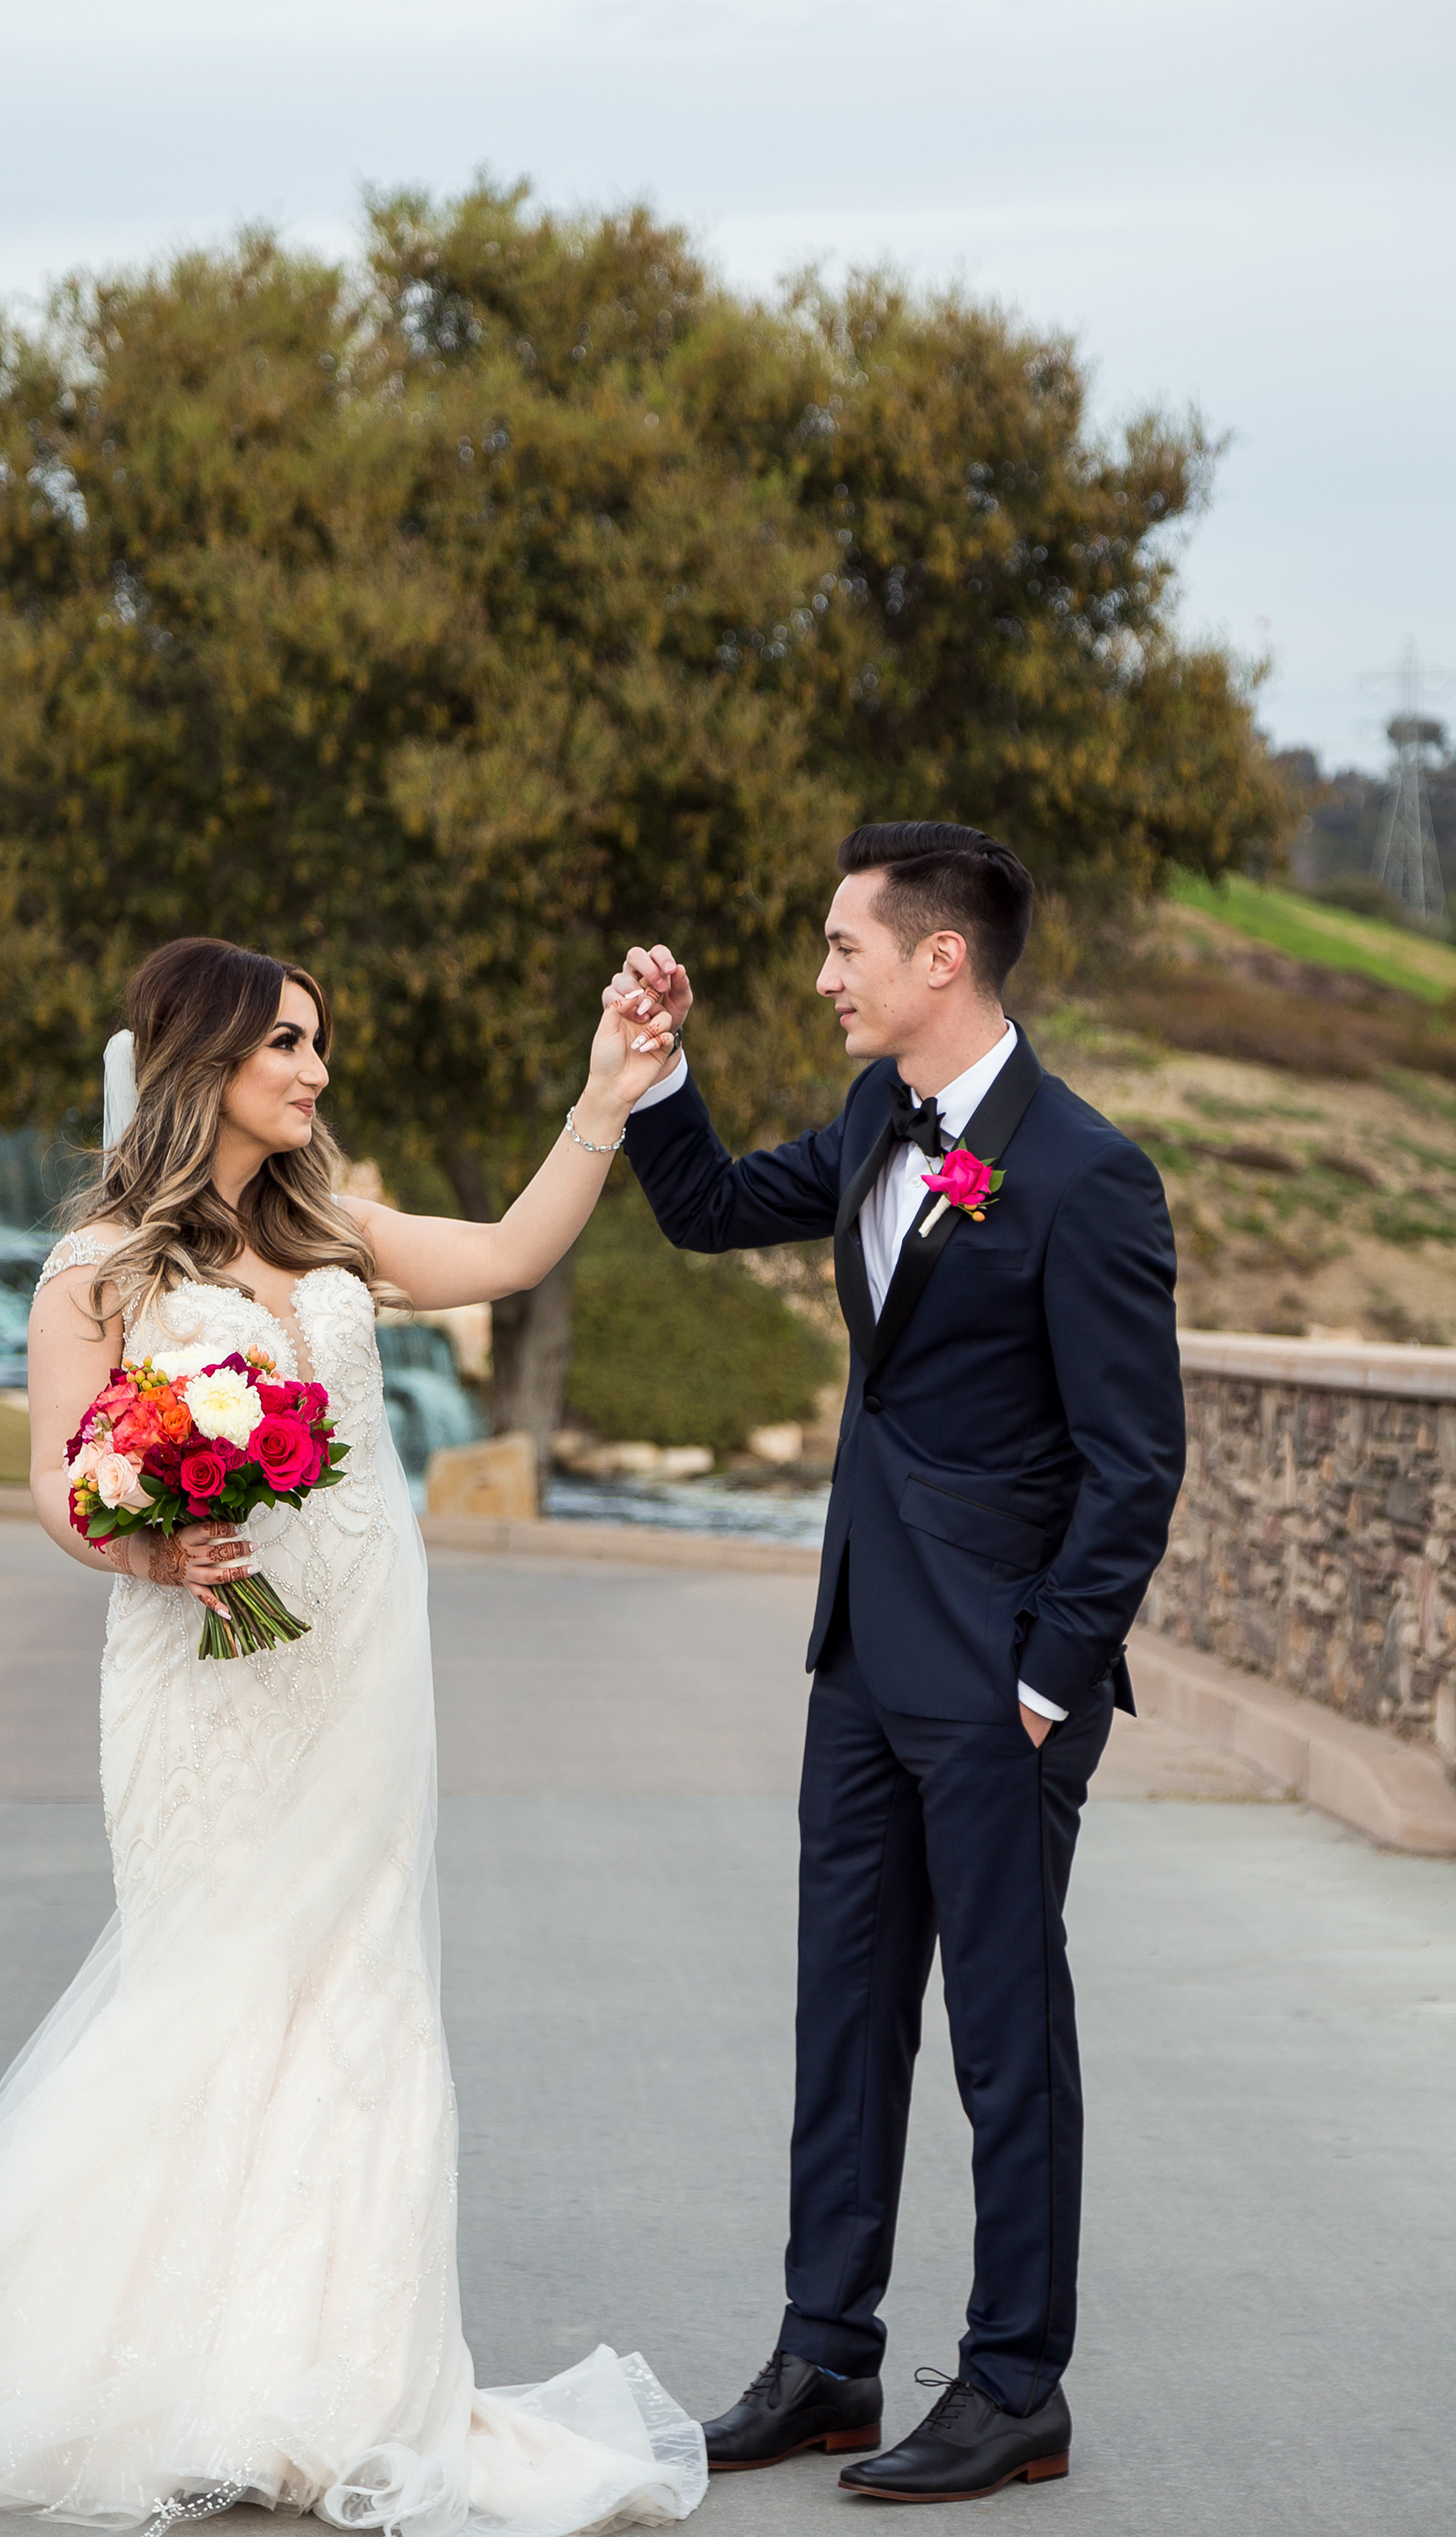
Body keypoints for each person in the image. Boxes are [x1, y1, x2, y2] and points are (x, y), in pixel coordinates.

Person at [0, 936, 704, 2537]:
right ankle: (176, 2384)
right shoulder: (100, 1267)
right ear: (205, 1057)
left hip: (357, 1672)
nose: (316, 1071)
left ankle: (326, 2386)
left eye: (319, 1044)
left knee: (357, 2002)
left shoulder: (334, 1231)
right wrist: (144, 1546)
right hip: (199, 1678)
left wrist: (607, 1098)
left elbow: (508, 1252)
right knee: (208, 1995)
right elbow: (59, 1476)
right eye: (288, 1043)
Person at [608, 822, 1186, 2504]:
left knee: (1008, 2039)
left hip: (1002, 1683)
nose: (822, 977)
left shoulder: (1087, 1174)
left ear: (943, 956)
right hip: (862, 1655)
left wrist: (1049, 1678)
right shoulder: (877, 1115)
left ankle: (1014, 2386)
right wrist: (657, 1074)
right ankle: (825, 2359)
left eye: (843, 946)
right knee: (844, 2011)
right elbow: (710, 1207)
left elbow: (1135, 1463)